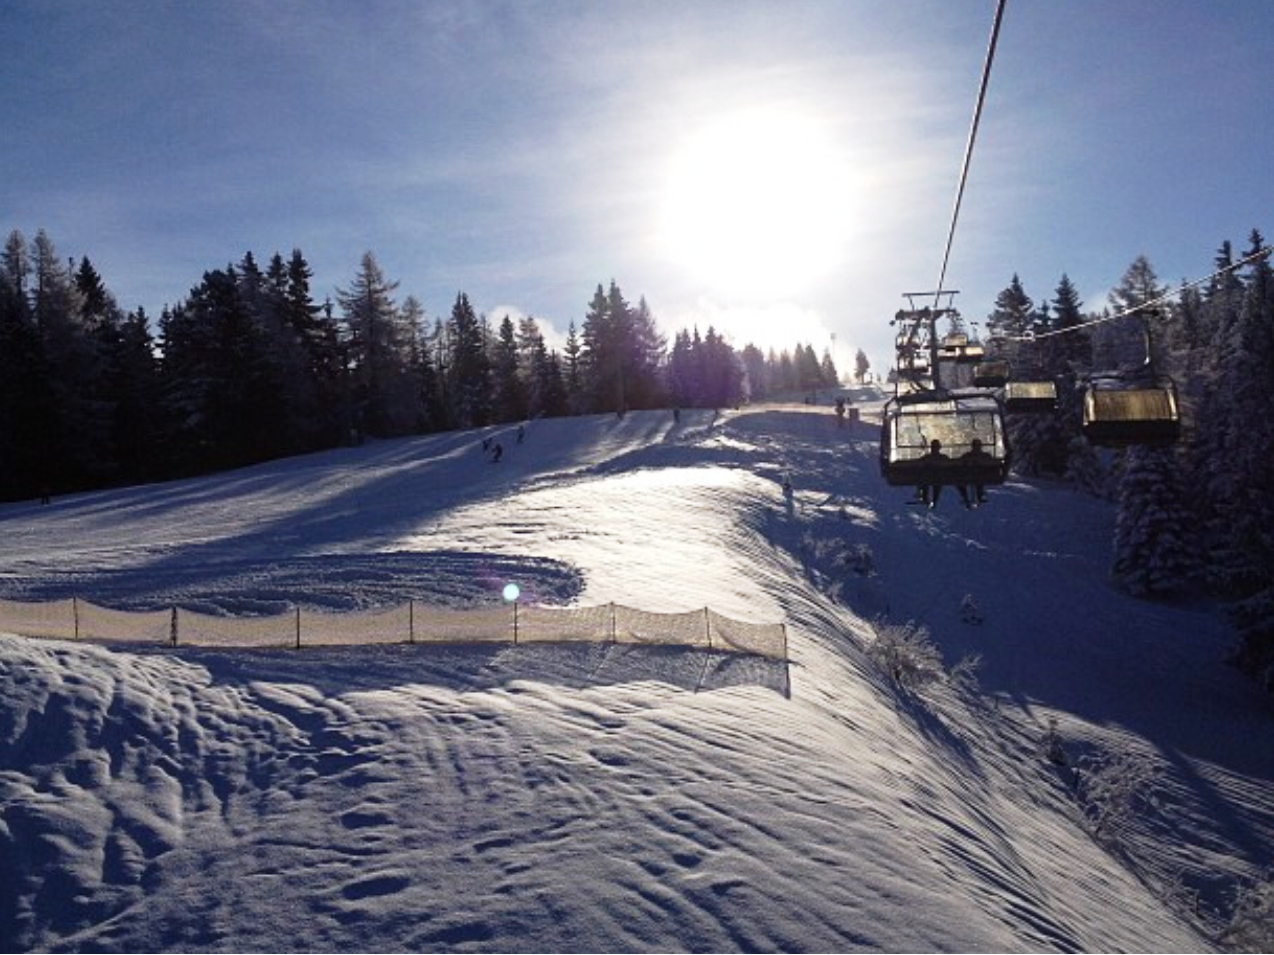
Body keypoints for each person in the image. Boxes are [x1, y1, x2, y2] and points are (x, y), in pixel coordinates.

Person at [957, 438, 993, 508]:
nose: (977, 447)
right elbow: (960, 462)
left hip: (980, 475)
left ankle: (979, 495)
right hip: (968, 475)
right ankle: (965, 495)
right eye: (975, 445)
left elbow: (991, 463)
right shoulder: (967, 455)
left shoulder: (985, 455)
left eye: (978, 445)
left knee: (979, 479)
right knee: (958, 481)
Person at [916, 438, 948, 508]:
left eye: (935, 447)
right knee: (925, 482)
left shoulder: (940, 457)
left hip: (937, 477)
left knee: (933, 483)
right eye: (934, 447)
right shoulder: (930, 457)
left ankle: (930, 499)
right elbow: (919, 462)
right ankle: (927, 498)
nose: (934, 449)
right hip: (931, 477)